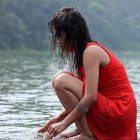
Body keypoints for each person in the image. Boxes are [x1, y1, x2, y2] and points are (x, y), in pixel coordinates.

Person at [37, 7, 137, 140]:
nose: (57, 41)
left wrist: (64, 124)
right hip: (117, 111)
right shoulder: (83, 55)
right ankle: (83, 130)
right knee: (59, 77)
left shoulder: (91, 52)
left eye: (59, 35)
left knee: (60, 80)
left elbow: (90, 98)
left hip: (119, 110)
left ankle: (87, 134)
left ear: (71, 33)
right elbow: (79, 99)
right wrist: (57, 119)